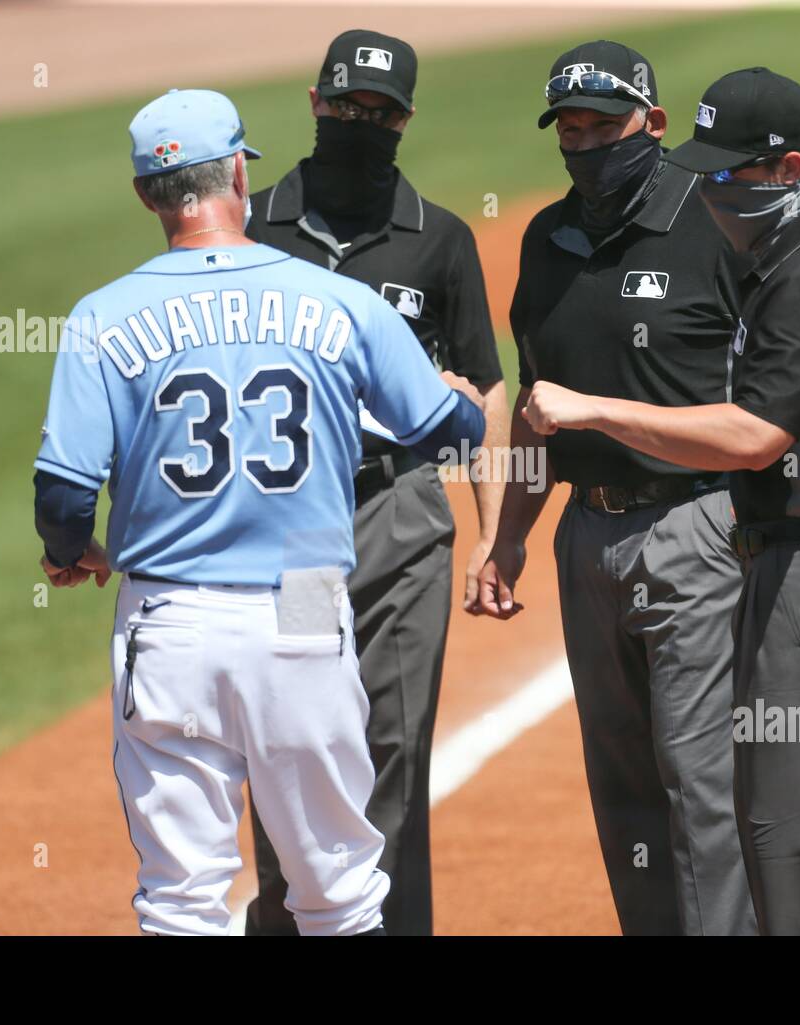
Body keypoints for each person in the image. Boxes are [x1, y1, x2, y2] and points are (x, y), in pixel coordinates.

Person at [31, 88, 486, 936]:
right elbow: (447, 437)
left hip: (168, 614)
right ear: (239, 173)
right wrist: (462, 403)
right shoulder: (343, 302)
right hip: (305, 600)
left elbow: (61, 491)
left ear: (145, 195)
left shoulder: (101, 317)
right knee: (342, 890)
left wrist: (72, 551)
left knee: (181, 899)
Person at [520, 67, 800, 935]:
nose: (709, 190)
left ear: (790, 168)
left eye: (726, 175)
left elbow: (755, 437)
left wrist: (595, 408)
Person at [476, 40, 756, 935]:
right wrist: (510, 533)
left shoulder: (718, 222)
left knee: (702, 780)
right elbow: (536, 407)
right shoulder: (547, 238)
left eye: (605, 125)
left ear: (655, 123)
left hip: (698, 530)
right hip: (586, 544)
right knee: (624, 780)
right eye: (571, 128)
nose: (587, 144)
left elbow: (795, 370)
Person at [244, 29, 507, 936]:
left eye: (381, 112)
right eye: (346, 106)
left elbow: (486, 383)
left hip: (397, 517)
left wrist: (490, 535)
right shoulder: (255, 228)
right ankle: (286, 917)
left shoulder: (439, 239)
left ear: (405, 120)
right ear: (314, 102)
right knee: (289, 737)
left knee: (392, 743)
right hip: (289, 536)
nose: (362, 122)